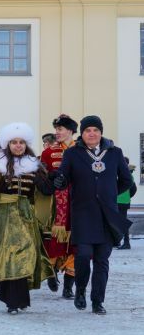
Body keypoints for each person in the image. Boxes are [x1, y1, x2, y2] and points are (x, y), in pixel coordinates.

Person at [54, 115, 133, 314]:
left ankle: (97, 301)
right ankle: (80, 290)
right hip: (83, 213)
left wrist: (110, 193)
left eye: (95, 130)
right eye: (88, 130)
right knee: (83, 256)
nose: (92, 133)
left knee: (102, 260)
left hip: (107, 215)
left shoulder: (114, 153)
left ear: (101, 132)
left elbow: (126, 180)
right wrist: (60, 181)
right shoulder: (73, 153)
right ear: (82, 133)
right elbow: (64, 177)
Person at [0, 123, 55, 314]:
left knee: (25, 255)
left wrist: (53, 180)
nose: (18, 146)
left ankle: (20, 298)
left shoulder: (34, 166)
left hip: (26, 217)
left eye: (21, 142)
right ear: (7, 145)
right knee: (10, 256)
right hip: (4, 217)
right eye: (14, 142)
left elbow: (46, 191)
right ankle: (11, 300)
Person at [40, 114, 78, 298]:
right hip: (56, 207)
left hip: (79, 205)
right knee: (54, 242)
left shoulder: (82, 149)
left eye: (60, 129)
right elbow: (41, 179)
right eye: (56, 129)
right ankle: (52, 272)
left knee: (77, 246)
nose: (57, 132)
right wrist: (50, 178)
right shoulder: (48, 153)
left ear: (70, 130)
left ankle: (69, 287)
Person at [116, 158, 137, 250]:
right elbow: (133, 189)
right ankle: (118, 241)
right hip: (122, 201)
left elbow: (133, 189)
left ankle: (126, 242)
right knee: (117, 222)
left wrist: (125, 197)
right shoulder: (126, 174)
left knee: (122, 222)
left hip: (121, 201)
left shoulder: (122, 174)